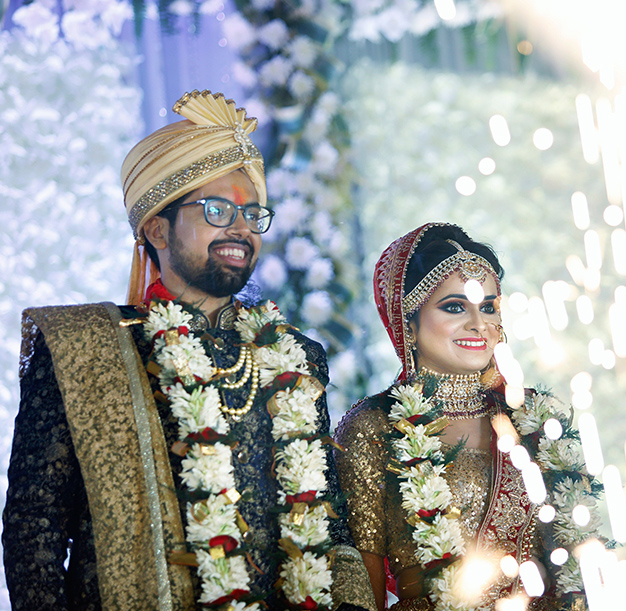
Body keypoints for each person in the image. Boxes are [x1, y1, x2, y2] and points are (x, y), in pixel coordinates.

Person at [3, 90, 374, 611]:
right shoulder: (85, 348)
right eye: (218, 209)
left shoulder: (296, 356)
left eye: (251, 213)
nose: (241, 228)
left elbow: (331, 526)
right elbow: (34, 528)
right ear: (156, 227)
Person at [334, 223, 608, 611]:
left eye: (488, 307)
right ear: (407, 323)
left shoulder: (536, 421)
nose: (479, 324)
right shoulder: (375, 426)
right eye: (454, 306)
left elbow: (575, 558)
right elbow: (363, 577)